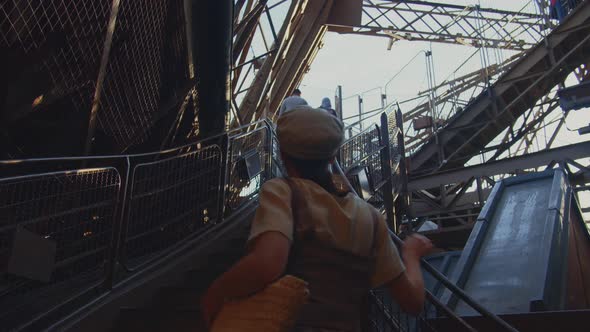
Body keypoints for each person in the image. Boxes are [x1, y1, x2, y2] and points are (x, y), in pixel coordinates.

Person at [200, 108, 433, 331]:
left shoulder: (283, 192)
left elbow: (268, 262)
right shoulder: (370, 217)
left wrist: (216, 292)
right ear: (333, 158)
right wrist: (411, 254)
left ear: (282, 155)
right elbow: (412, 302)